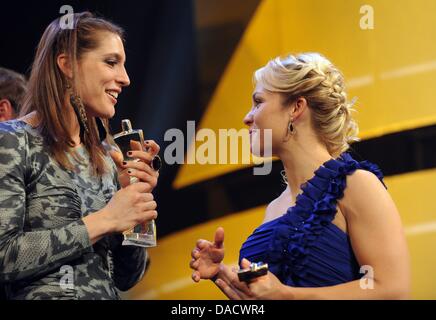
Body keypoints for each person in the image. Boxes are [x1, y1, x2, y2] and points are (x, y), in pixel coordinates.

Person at [189, 53, 410, 299]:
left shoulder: (356, 184)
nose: (247, 117)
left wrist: (288, 295)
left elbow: (393, 290)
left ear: (296, 107)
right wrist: (225, 276)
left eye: (258, 102)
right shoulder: (274, 209)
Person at [0, 12, 160, 300]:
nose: (125, 79)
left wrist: (135, 205)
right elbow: (4, 255)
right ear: (67, 64)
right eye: (111, 62)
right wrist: (107, 218)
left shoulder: (106, 158)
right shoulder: (12, 139)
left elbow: (127, 278)